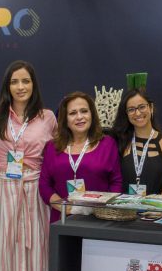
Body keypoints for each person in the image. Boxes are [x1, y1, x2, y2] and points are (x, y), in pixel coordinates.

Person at [0, 60, 57, 271]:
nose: (20, 87)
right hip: (2, 191)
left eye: (25, 81)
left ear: (34, 84)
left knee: (35, 252)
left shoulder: (47, 117)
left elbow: (55, 157)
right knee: (0, 251)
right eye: (14, 82)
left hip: (34, 192)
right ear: (7, 86)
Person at [39, 91, 123, 222]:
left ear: (92, 114)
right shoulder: (52, 147)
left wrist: (105, 209)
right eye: (73, 113)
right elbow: (44, 184)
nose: (79, 117)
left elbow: (116, 182)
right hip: (62, 219)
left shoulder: (107, 144)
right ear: (65, 119)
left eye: (84, 111)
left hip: (99, 219)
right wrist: (62, 206)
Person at [111, 89, 162, 195]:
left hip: (156, 205)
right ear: (126, 114)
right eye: (131, 109)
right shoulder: (119, 141)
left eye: (142, 107)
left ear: (151, 107)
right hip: (125, 205)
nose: (138, 113)